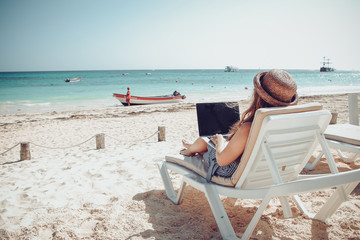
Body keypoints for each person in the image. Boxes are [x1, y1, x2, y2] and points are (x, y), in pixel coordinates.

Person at [180, 69, 298, 181]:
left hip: (232, 170)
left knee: (208, 140)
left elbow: (221, 160)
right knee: (215, 143)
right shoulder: (287, 124)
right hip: (271, 171)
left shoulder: (249, 128)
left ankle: (189, 151)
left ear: (258, 97)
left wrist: (220, 140)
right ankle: (193, 147)